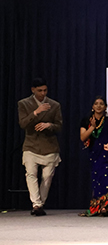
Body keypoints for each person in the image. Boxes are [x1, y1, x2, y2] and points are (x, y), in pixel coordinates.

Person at [18, 77, 63, 216]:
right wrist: (36, 112)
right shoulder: (24, 104)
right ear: (33, 90)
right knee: (31, 174)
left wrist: (49, 125)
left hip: (49, 146)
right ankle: (36, 204)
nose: (43, 93)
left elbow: (59, 126)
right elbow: (23, 124)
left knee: (47, 176)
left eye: (45, 90)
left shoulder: (54, 105)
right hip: (31, 145)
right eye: (40, 91)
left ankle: (40, 203)